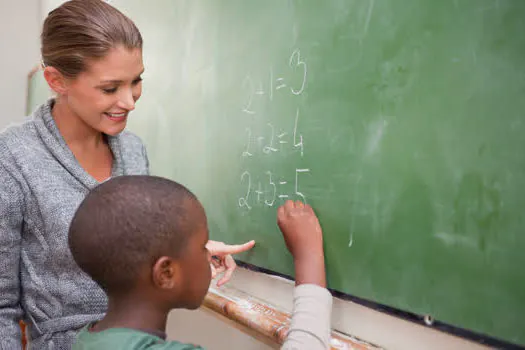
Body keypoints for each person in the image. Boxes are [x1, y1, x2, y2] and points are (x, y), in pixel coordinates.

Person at [0, 1, 253, 349]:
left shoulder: (133, 150)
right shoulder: (12, 159)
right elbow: (1, 305)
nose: (130, 101)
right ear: (56, 80)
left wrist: (191, 249)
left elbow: (129, 248)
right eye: (110, 88)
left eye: (136, 81)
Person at [68, 175, 332, 350]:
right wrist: (308, 257)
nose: (209, 254)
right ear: (166, 273)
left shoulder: (87, 340)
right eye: (202, 246)